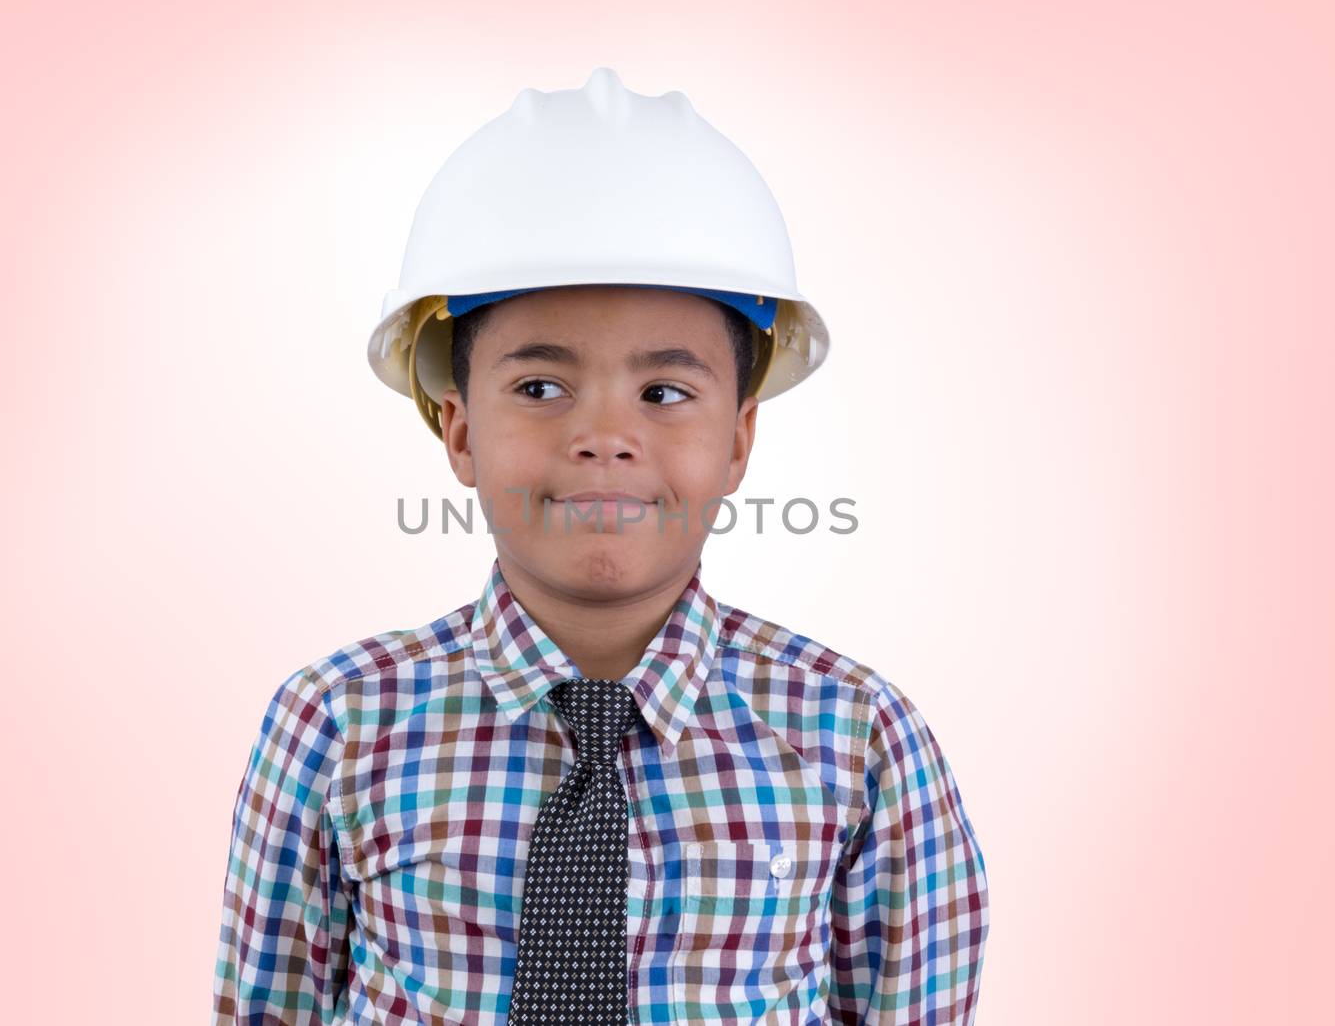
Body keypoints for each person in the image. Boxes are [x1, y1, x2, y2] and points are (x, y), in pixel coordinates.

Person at [212, 67, 989, 1025]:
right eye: (541, 388)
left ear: (739, 437)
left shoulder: (857, 740)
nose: (604, 436)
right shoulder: (335, 725)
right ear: (457, 429)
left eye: (665, 393)